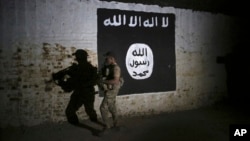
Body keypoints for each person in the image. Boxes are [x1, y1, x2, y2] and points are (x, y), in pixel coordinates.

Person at [53, 49, 98, 125]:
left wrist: (61, 81)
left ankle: (81, 125)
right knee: (90, 110)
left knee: (70, 111)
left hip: (80, 93)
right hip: (89, 92)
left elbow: (70, 86)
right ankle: (97, 123)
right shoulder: (90, 67)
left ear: (79, 58)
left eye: (76, 56)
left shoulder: (77, 69)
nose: (75, 58)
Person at [99, 51, 122, 130]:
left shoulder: (116, 68)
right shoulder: (110, 67)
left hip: (112, 90)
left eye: (107, 58)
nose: (106, 59)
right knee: (112, 107)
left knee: (103, 108)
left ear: (112, 58)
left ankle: (107, 126)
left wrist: (102, 81)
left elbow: (115, 81)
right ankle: (117, 124)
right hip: (110, 89)